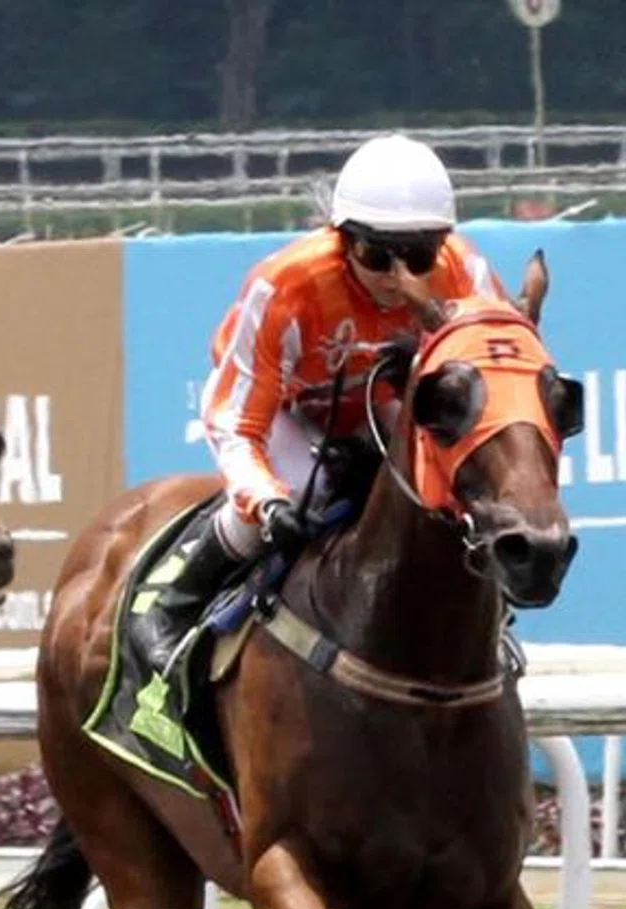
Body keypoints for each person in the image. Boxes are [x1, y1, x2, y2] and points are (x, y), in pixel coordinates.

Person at [133, 132, 506, 678]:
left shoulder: (467, 274)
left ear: (442, 246)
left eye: (419, 256)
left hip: (382, 399)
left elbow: (496, 389)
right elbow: (236, 422)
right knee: (300, 492)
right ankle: (174, 605)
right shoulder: (285, 286)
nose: (397, 278)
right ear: (343, 239)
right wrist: (265, 503)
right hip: (290, 407)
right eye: (377, 255)